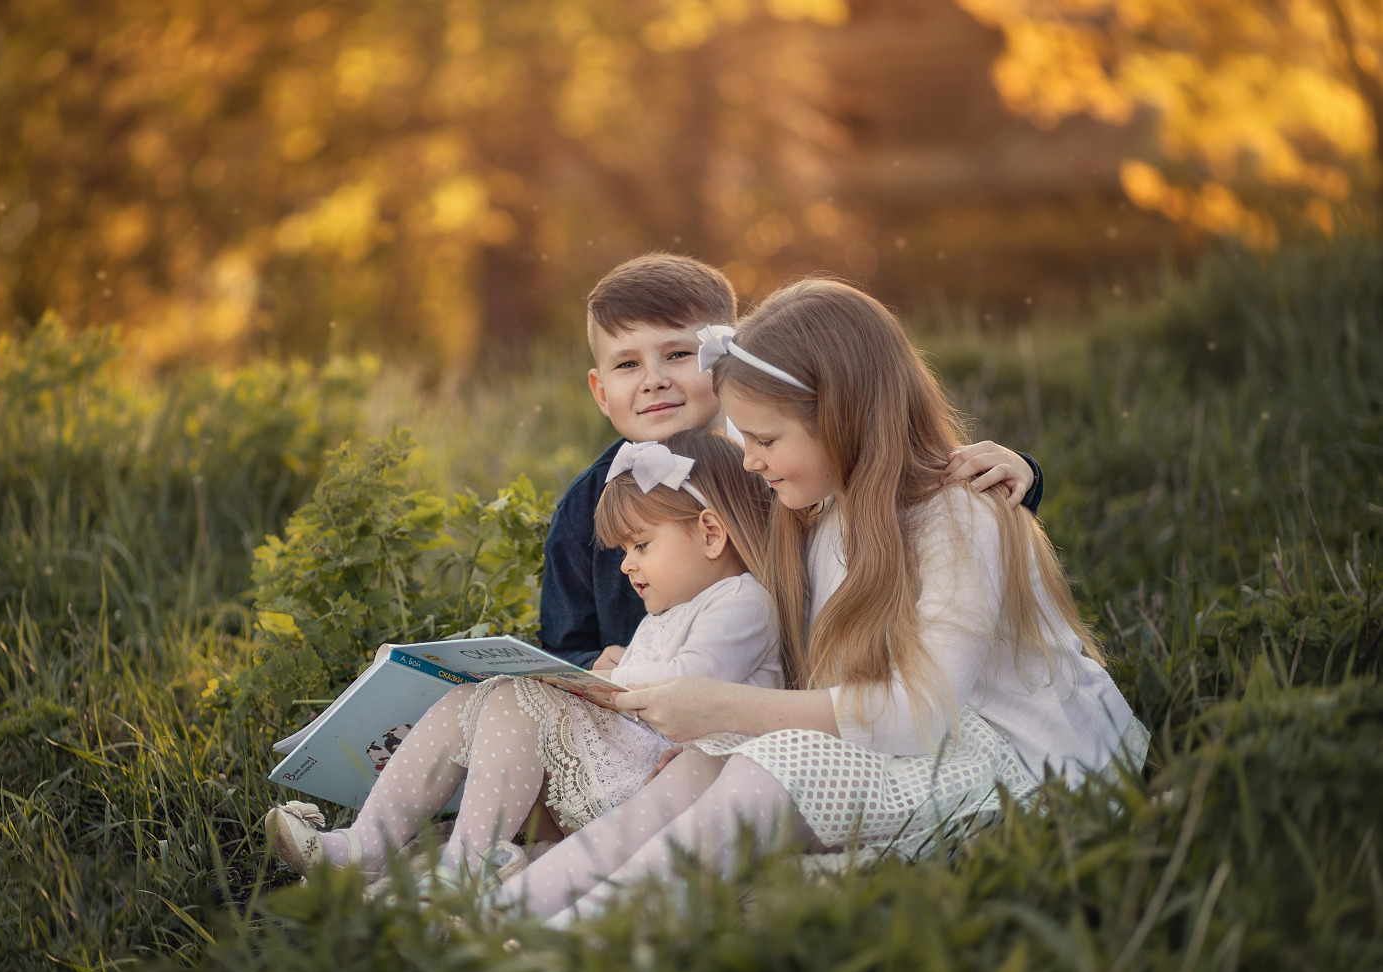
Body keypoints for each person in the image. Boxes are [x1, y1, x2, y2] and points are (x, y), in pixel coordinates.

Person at [493, 279, 1146, 922]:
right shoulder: (812, 503)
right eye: (743, 437)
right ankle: (515, 907)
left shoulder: (959, 519)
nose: (747, 461)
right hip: (895, 740)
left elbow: (920, 717)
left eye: (765, 441)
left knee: (765, 764)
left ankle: (585, 930)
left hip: (1017, 759)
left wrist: (725, 706)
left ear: (842, 420)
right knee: (713, 760)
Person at [265, 429, 782, 885]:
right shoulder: (675, 609)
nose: (627, 564)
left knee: (517, 700)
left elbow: (688, 687)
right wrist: (611, 667)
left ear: (712, 533)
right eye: (625, 550)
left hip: (651, 785)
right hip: (621, 764)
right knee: (474, 697)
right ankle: (367, 844)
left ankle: (464, 867)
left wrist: (605, 677)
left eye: (641, 545)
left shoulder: (742, 601)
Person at [541, 253, 1045, 669]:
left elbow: (906, 494)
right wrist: (591, 663)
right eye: (628, 364)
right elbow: (565, 636)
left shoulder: (780, 461)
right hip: (652, 703)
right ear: (600, 391)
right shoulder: (590, 504)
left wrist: (1018, 476)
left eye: (677, 355)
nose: (653, 380)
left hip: (794, 684)